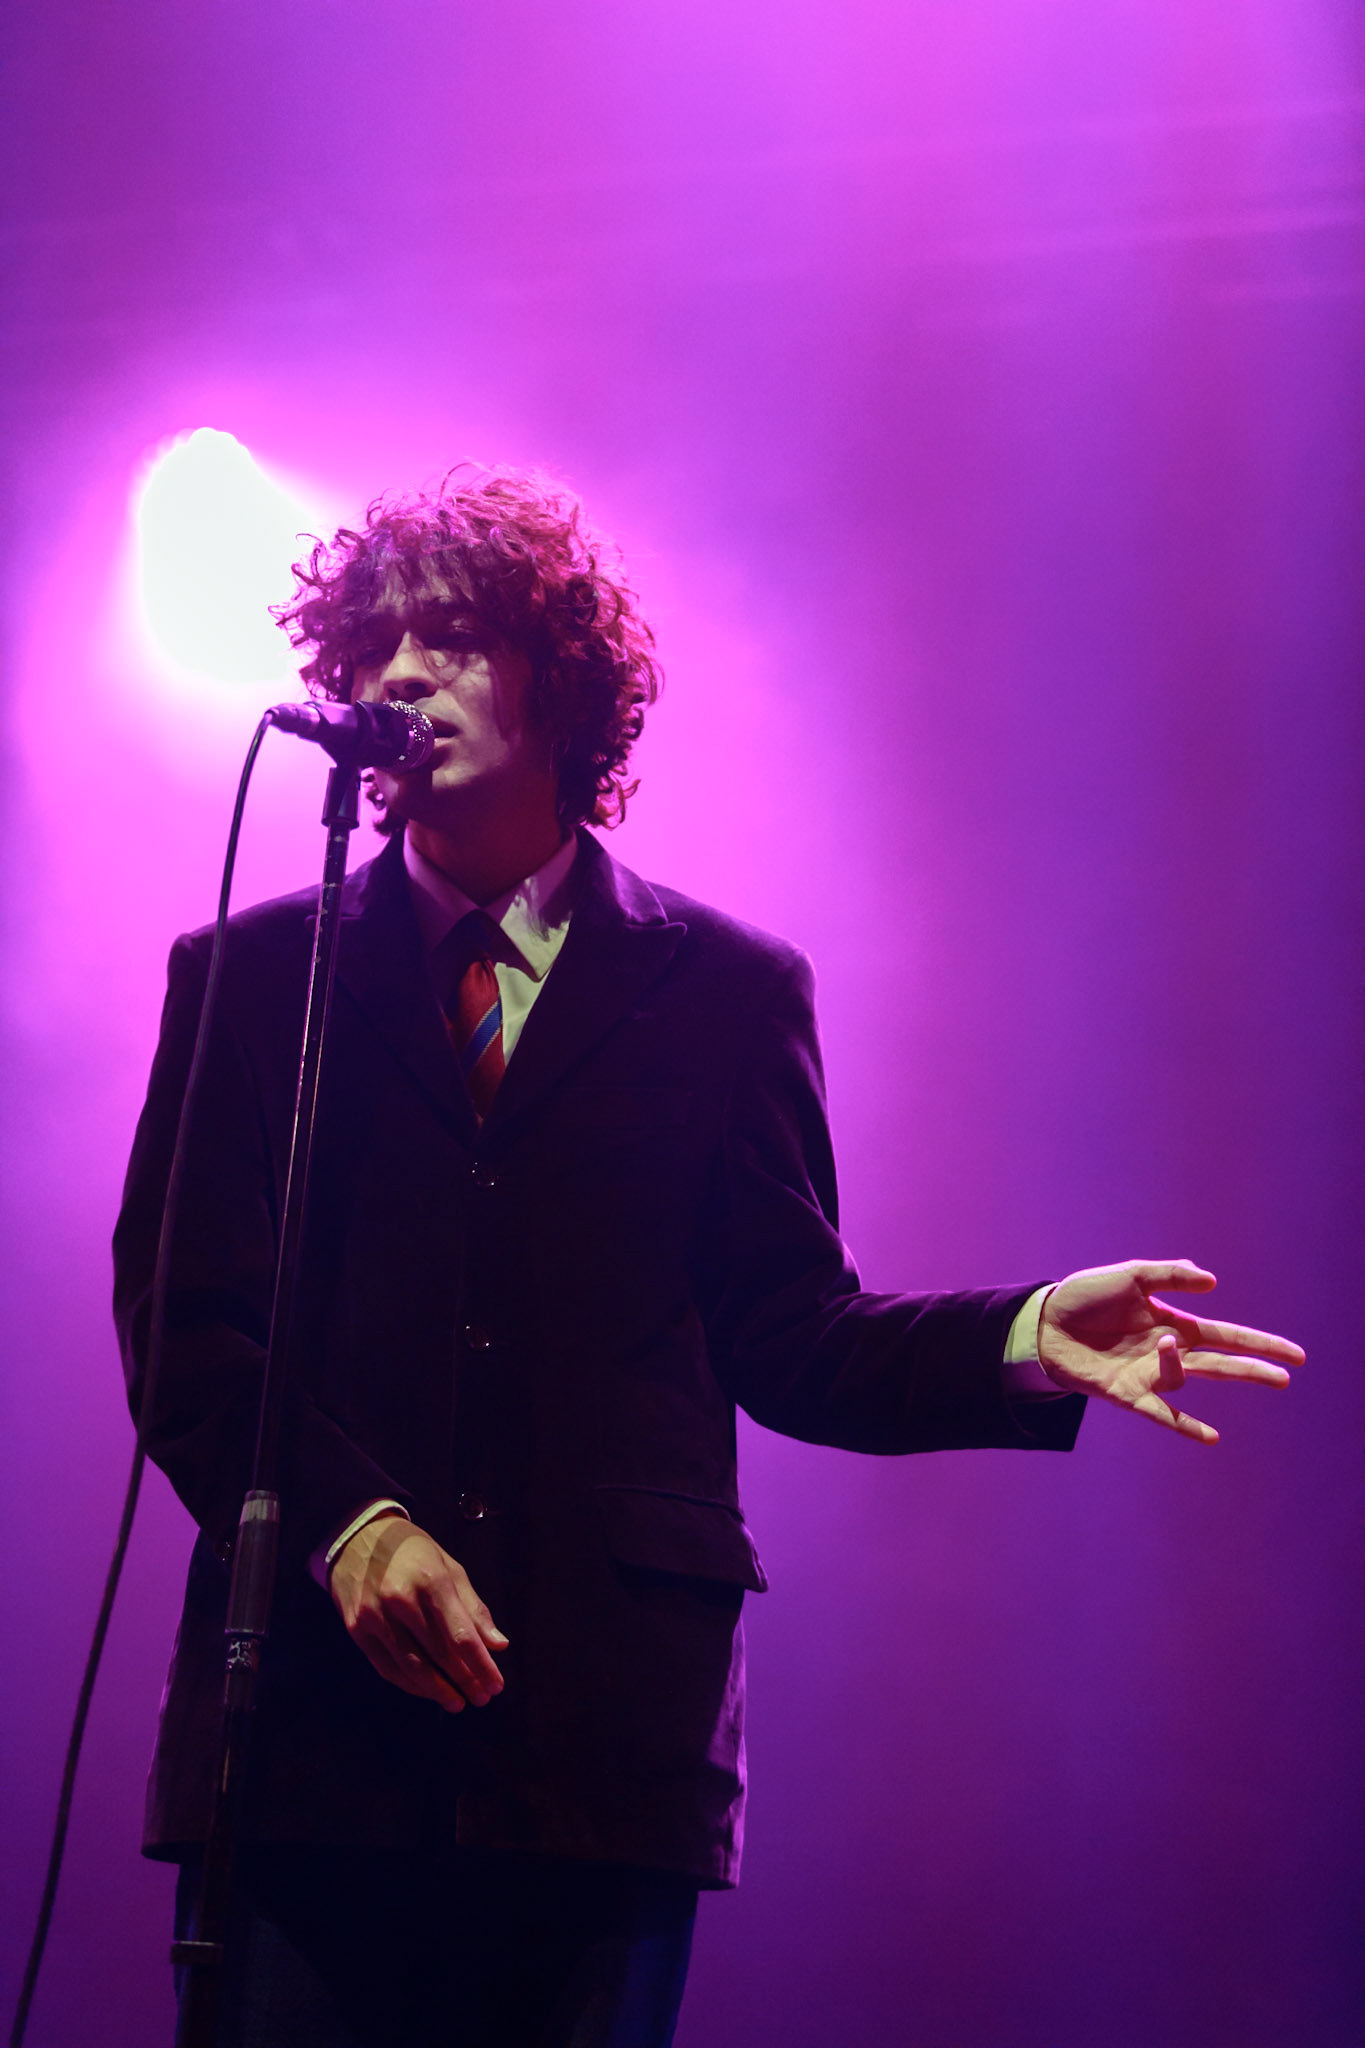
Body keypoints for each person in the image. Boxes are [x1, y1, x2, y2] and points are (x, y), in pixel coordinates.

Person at [113, 464, 1303, 2048]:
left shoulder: (728, 990)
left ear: (563, 674)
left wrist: (1019, 1333)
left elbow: (790, 1331)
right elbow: (190, 1331)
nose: (400, 673)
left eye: (453, 636)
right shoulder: (254, 978)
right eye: (374, 646)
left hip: (599, 1734)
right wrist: (351, 1531)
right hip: (312, 1740)